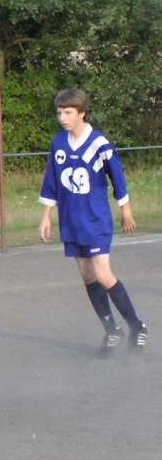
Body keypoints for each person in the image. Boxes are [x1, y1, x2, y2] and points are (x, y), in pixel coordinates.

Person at [38, 88, 148, 357]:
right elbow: (51, 181)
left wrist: (126, 210)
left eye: (68, 113)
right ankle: (112, 330)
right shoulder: (58, 143)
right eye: (59, 113)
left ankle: (137, 325)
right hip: (70, 219)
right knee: (87, 275)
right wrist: (46, 216)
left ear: (82, 113)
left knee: (103, 274)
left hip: (96, 218)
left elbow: (117, 177)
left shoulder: (99, 143)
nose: (62, 118)